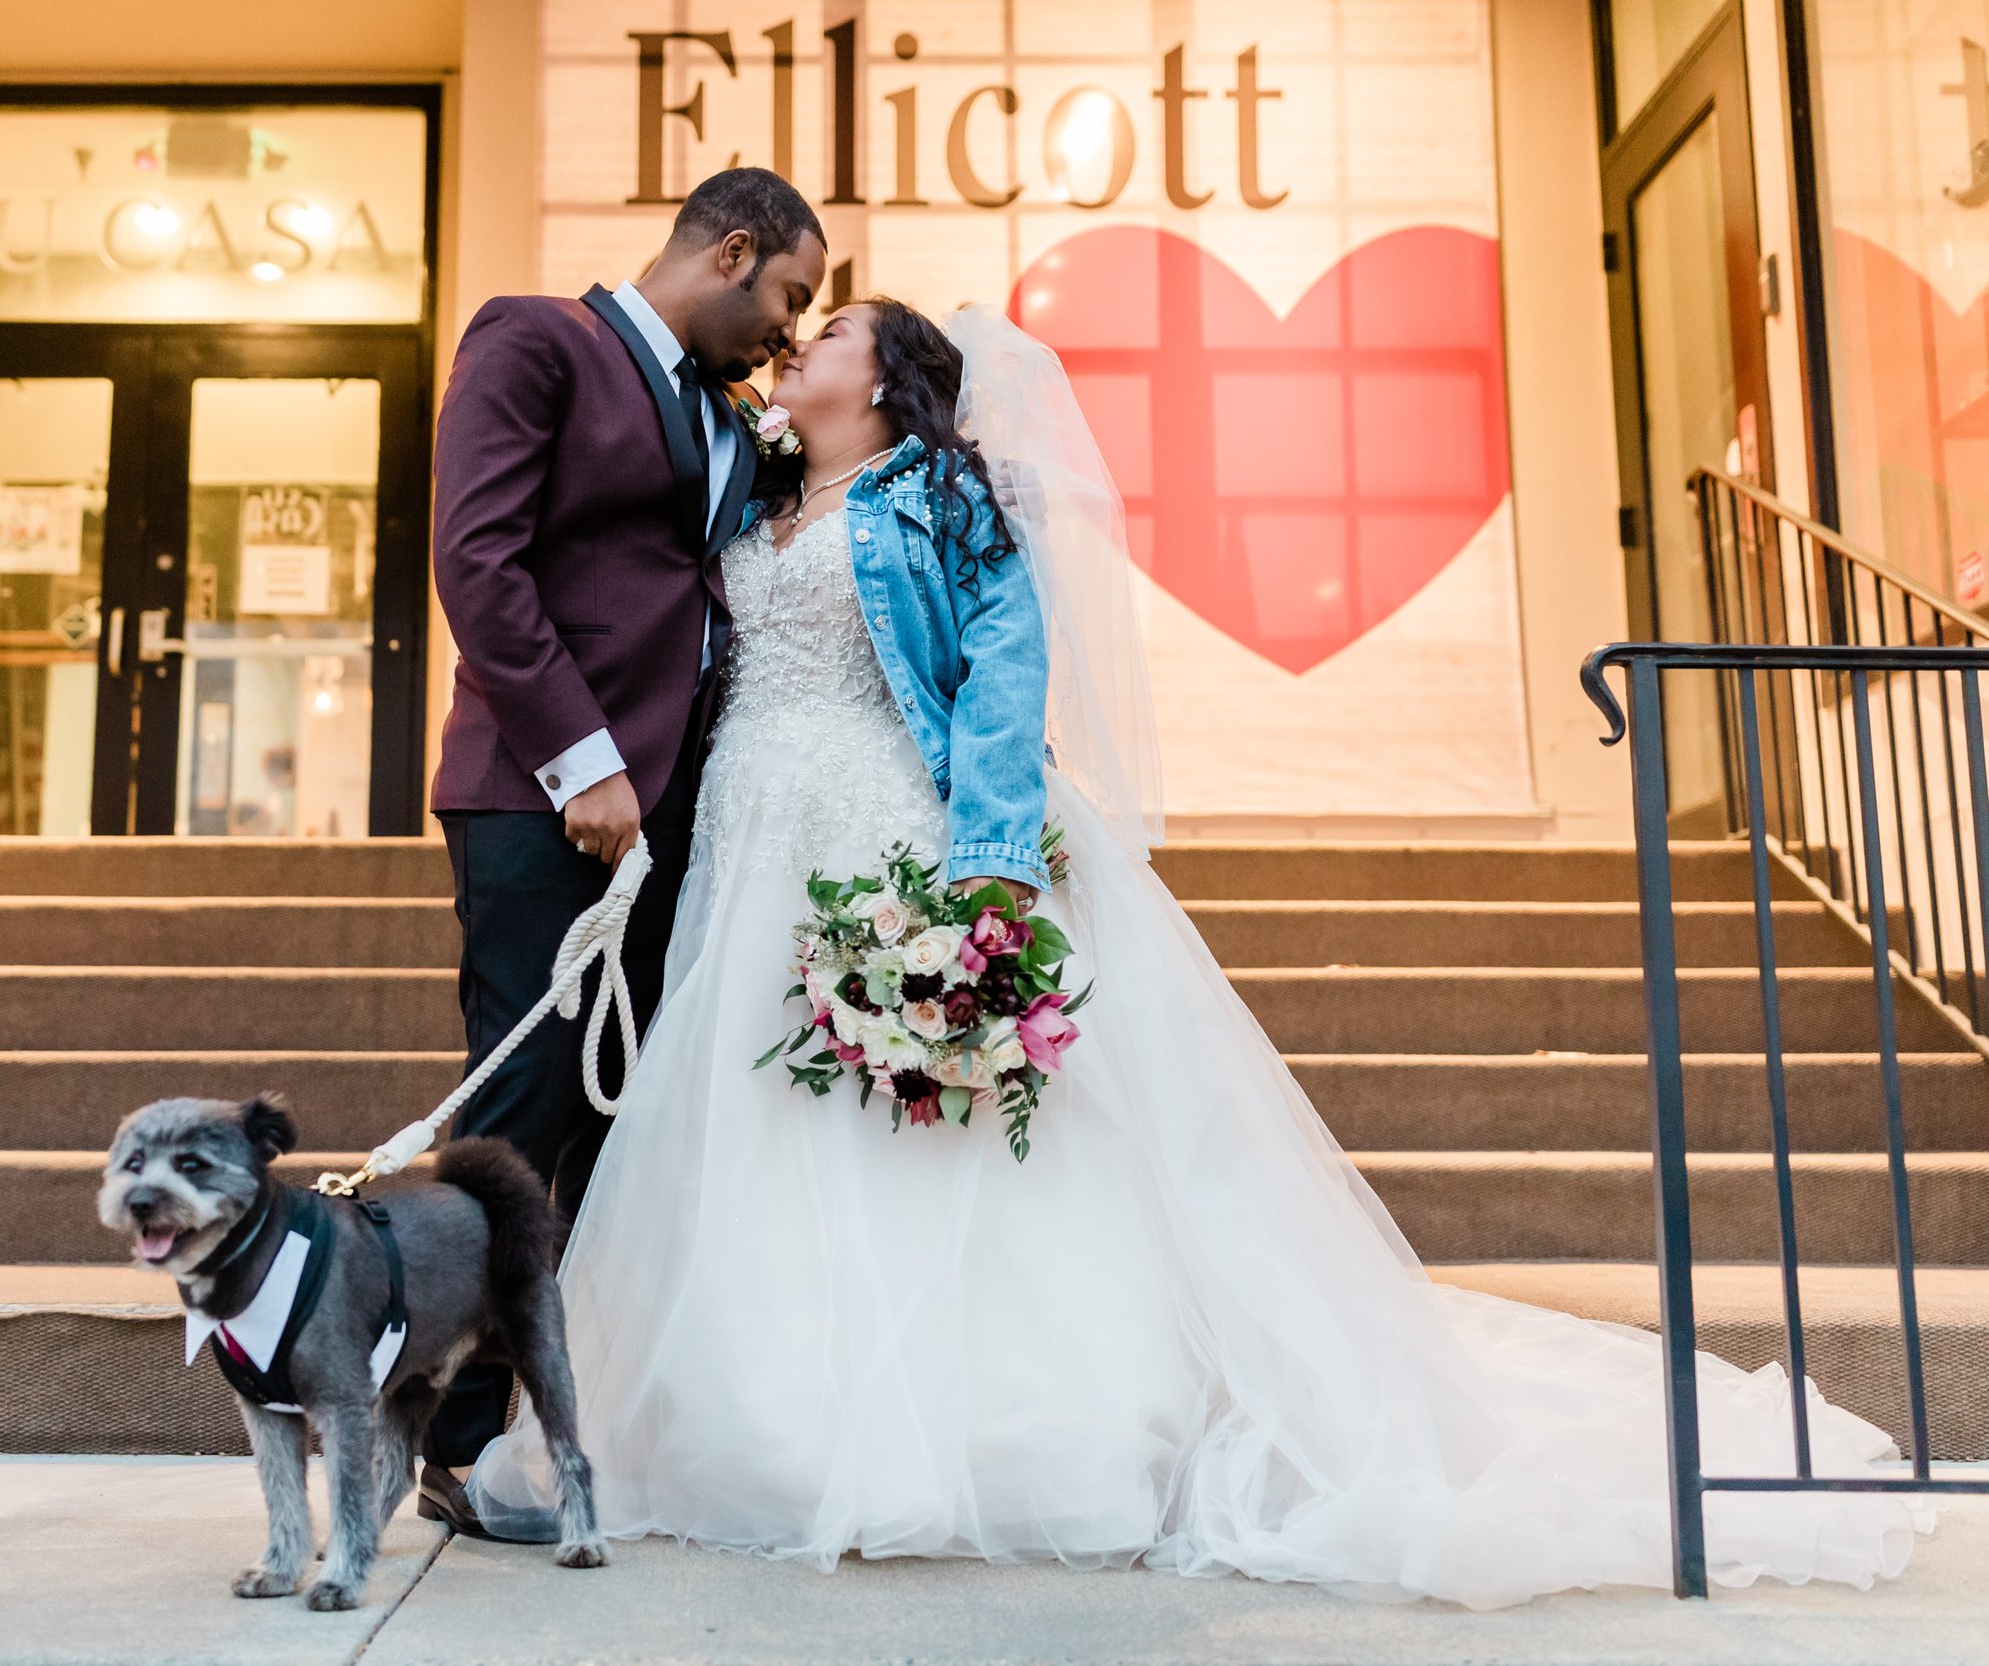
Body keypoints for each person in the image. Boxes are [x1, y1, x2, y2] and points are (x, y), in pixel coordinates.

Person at [462, 297, 1927, 1606]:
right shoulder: (752, 497)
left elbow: (999, 681)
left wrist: (984, 874)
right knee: (752, 1111)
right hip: (745, 843)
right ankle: (754, 1415)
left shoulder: (952, 502)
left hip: (881, 828)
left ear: (893, 379)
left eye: (829, 329)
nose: (798, 344)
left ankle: (972, 1429)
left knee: (917, 1128)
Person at [419, 167, 827, 1532]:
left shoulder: (729, 420)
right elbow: (479, 562)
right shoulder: (535, 341)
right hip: (548, 800)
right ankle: (448, 1443)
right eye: (788, 295)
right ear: (729, 249)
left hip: (670, 823)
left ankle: (530, 1420)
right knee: (523, 1110)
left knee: (606, 1122)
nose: (788, 331)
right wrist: (581, 759)